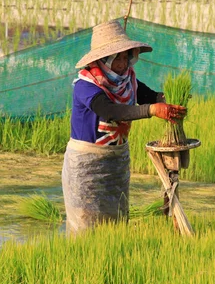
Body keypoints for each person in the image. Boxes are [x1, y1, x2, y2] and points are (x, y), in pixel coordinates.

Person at [62, 20, 186, 235]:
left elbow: (150, 96)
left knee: (116, 222)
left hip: (117, 161)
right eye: (116, 57)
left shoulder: (127, 80)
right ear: (103, 59)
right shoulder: (86, 86)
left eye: (125, 56)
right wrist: (152, 110)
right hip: (86, 165)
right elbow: (111, 111)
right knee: (86, 224)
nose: (122, 63)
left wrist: (171, 100)